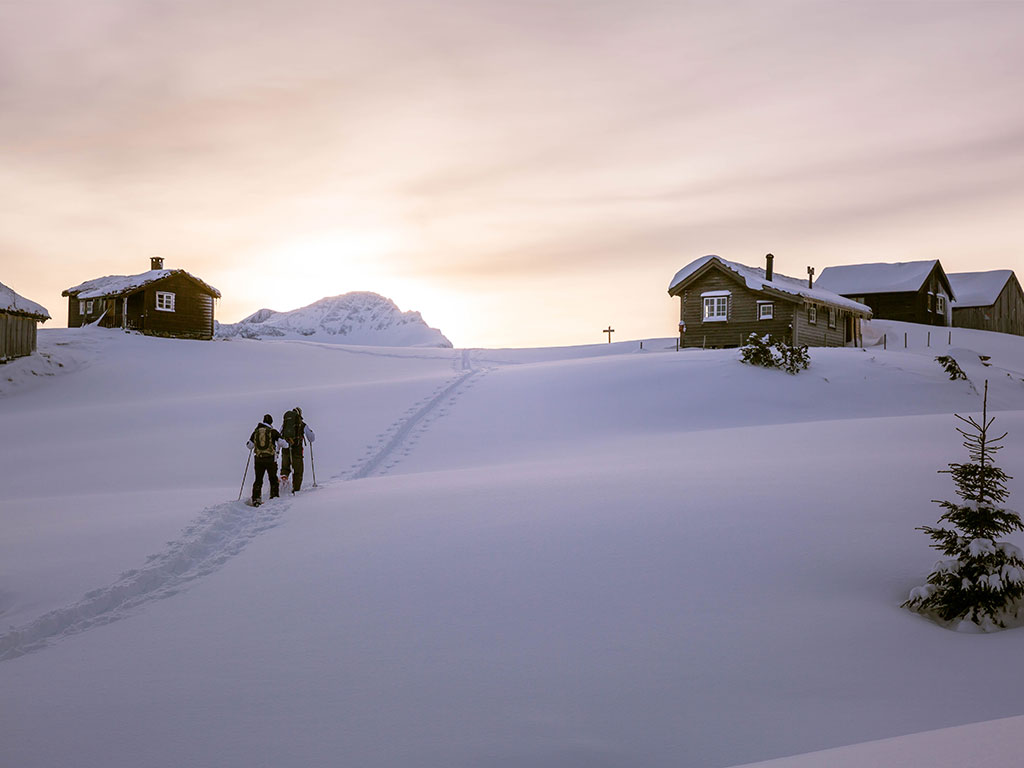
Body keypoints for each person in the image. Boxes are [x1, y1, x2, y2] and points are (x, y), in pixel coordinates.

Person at [246, 414, 288, 507]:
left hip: (258, 459)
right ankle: (274, 497)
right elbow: (283, 444)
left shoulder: (256, 431)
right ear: (271, 422)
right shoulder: (273, 432)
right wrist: (287, 444)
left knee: (258, 479)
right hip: (270, 459)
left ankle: (256, 499)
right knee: (273, 478)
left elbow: (250, 446)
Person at [280, 406, 315, 493]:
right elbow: (311, 438)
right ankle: (296, 490)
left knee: (285, 468)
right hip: (297, 450)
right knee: (298, 470)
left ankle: (282, 486)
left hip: (285, 450)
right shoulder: (302, 425)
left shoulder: (284, 425)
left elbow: (279, 436)